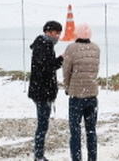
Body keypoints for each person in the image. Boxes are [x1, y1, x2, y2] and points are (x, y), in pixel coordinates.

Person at [62, 23, 100, 161]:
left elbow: (66, 70)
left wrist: (67, 87)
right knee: (91, 130)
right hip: (92, 93)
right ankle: (92, 158)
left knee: (75, 131)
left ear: (76, 34)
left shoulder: (71, 49)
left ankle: (76, 158)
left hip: (76, 95)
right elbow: (95, 71)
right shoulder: (96, 48)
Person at [29, 20, 64, 161]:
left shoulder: (42, 44)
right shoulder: (45, 45)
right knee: (42, 124)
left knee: (43, 123)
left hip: (41, 90)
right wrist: (61, 59)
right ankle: (38, 155)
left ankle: (39, 153)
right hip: (42, 91)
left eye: (59, 34)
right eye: (55, 33)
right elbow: (47, 67)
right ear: (48, 32)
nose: (57, 37)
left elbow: (45, 66)